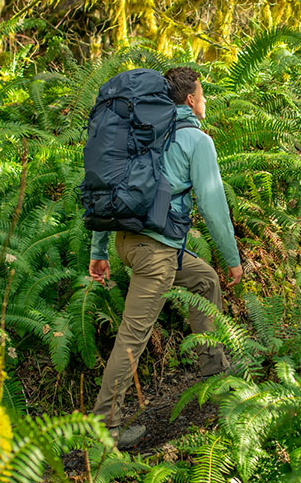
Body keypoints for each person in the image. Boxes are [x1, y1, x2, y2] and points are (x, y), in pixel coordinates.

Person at [88, 67, 243, 448]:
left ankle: (214, 370)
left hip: (129, 241)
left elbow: (108, 187)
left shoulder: (138, 133)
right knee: (133, 337)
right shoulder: (195, 140)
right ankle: (105, 430)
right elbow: (213, 206)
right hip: (155, 252)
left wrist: (99, 251)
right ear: (190, 99)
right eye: (202, 94)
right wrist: (232, 257)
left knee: (204, 279)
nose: (205, 100)